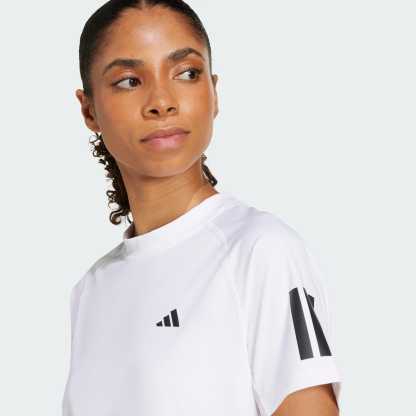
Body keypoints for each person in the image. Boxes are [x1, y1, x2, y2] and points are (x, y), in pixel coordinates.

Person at [62, 1, 343, 415]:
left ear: (213, 92)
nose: (162, 101)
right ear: (89, 110)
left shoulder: (259, 251)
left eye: (186, 74)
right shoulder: (91, 291)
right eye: (129, 81)